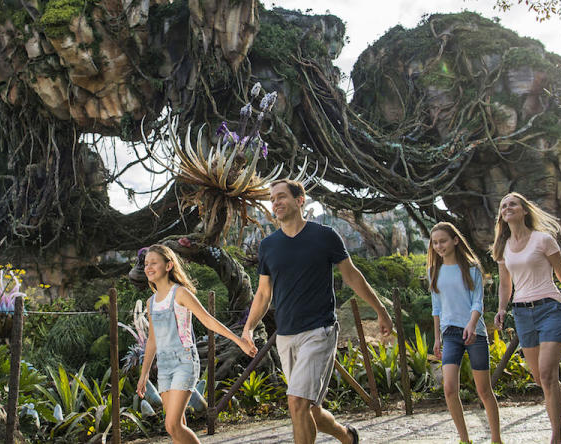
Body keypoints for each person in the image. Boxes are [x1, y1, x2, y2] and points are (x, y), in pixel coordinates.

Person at [241, 179, 394, 444]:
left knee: (297, 402)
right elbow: (264, 293)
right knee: (308, 409)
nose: (275, 202)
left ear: (300, 200)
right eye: (272, 198)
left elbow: (352, 277)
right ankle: (347, 436)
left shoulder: (325, 236)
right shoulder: (268, 246)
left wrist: (381, 310)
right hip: (286, 335)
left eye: (281, 197)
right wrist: (249, 327)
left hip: (319, 330)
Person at [492, 193, 561, 443]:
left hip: (551, 309)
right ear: (501, 215)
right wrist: (502, 309)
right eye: (503, 206)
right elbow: (505, 284)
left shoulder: (543, 240)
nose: (507, 208)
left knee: (547, 375)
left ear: (524, 210)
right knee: (541, 379)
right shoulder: (503, 247)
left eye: (512, 203)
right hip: (523, 313)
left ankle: (555, 438)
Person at [135, 244, 256, 444]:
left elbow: (208, 320)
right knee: (177, 428)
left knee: (172, 425)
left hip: (184, 362)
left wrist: (239, 341)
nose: (148, 267)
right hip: (164, 366)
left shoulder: (180, 293)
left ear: (168, 266)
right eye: (146, 263)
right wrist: (144, 373)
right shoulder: (151, 302)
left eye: (154, 263)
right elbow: (152, 340)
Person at [429, 222, 503, 444]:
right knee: (449, 388)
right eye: (435, 243)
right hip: (450, 334)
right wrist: (436, 337)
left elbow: (477, 302)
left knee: (484, 390)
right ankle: (464, 440)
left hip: (475, 334)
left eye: (443, 241)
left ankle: (496, 439)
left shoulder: (472, 268)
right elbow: (437, 308)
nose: (439, 246)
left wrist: (471, 325)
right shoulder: (434, 271)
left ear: (455, 240)